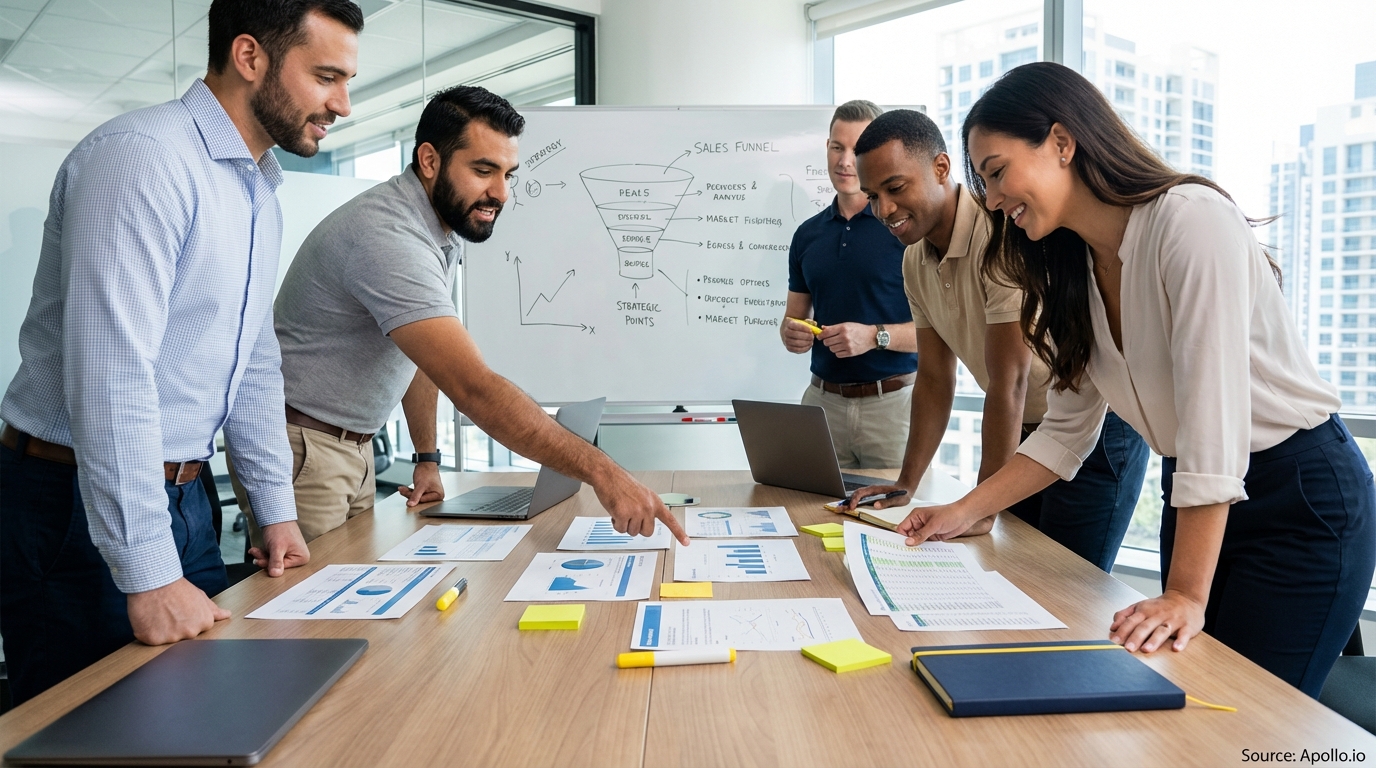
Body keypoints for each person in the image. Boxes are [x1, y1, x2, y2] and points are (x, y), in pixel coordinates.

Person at [898, 61, 1375, 698]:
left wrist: (1184, 592)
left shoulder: (1189, 220)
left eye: (996, 171)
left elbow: (1215, 421)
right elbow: (1064, 434)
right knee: (1189, 699)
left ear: (1062, 143)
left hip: (1301, 499)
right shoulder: (1074, 267)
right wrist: (963, 512)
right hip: (1199, 492)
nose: (989, 199)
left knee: (1244, 714)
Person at [0, 0, 363, 704]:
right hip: (73, 504)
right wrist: (148, 571)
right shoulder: (143, 159)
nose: (342, 104)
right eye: (326, 76)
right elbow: (112, 376)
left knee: (191, 720)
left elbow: (252, 363)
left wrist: (274, 506)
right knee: (94, 735)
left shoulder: (257, 187)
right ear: (250, 57)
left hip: (185, 498)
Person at [229, 85, 688, 548]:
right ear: (430, 161)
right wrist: (603, 473)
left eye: (509, 173)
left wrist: (426, 455)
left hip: (349, 446)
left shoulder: (433, 229)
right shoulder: (389, 238)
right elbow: (472, 387)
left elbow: (422, 358)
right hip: (305, 450)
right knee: (307, 614)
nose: (501, 193)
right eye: (483, 170)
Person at [845, 109, 1149, 572]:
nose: (883, 210)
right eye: (873, 196)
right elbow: (933, 377)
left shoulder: (1002, 232)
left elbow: (1010, 380)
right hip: (1025, 439)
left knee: (1071, 592)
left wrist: (981, 505)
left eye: (895, 188)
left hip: (1094, 433)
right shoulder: (914, 262)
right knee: (1017, 575)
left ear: (941, 168)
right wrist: (906, 483)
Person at [780, 100, 918, 469]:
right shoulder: (806, 235)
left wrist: (875, 336)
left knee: (893, 522)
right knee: (809, 514)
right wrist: (791, 333)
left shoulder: (906, 228)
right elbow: (793, 318)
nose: (844, 161)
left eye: (856, 150)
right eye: (837, 147)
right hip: (821, 405)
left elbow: (942, 332)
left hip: (894, 408)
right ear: (826, 148)